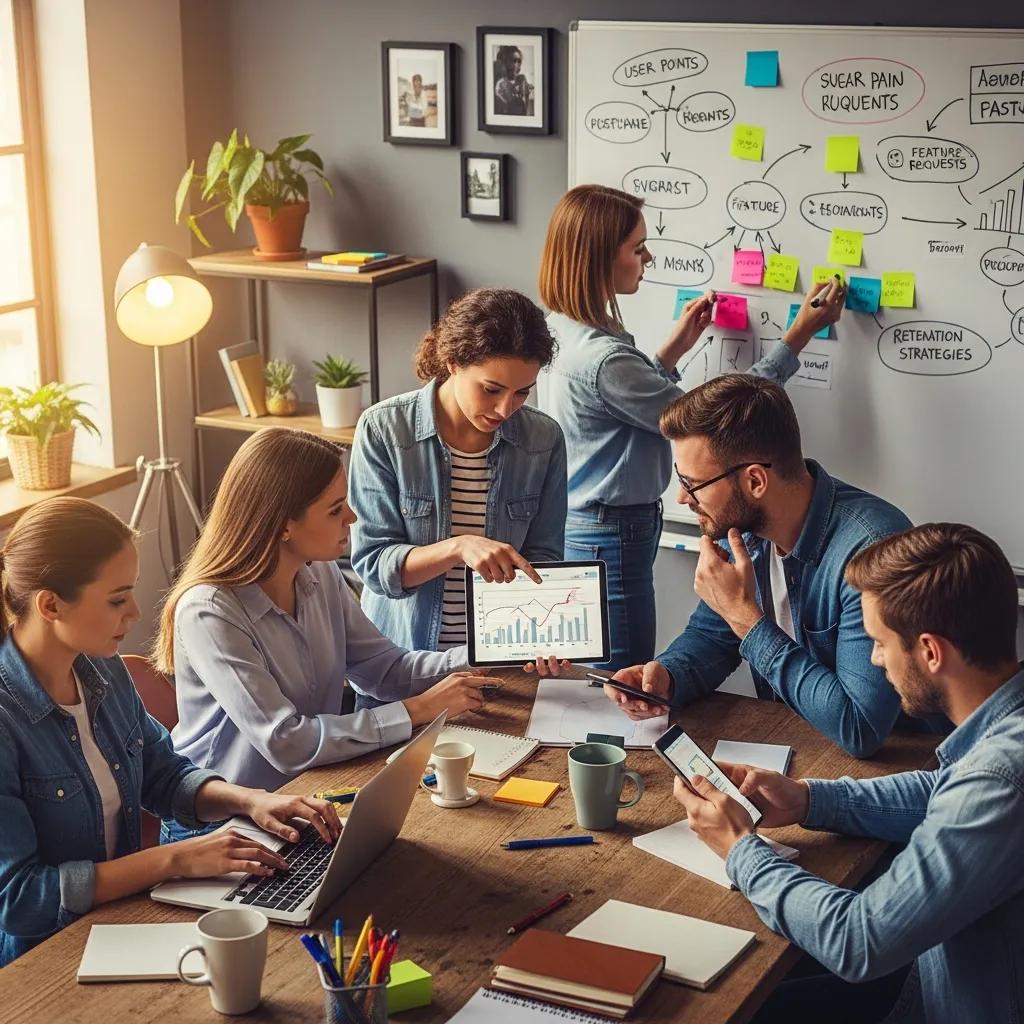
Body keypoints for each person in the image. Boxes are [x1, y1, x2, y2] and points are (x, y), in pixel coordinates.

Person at [672, 523, 1024, 1023]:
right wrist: (808, 800)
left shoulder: (1001, 780)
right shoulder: (1004, 729)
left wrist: (739, 848)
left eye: (880, 642)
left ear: (929, 651)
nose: (875, 658)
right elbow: (946, 791)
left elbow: (858, 940)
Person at [0, 498, 342, 966]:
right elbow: (19, 900)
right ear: (50, 604)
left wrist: (251, 800)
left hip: (117, 926)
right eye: (118, 599)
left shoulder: (103, 671)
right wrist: (175, 858)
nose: (137, 612)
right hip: (42, 961)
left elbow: (162, 775)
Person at [538, 183, 846, 670]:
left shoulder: (561, 330)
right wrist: (798, 334)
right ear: (599, 259)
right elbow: (719, 423)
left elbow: (615, 407)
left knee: (605, 676)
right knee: (620, 680)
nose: (649, 257)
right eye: (637, 248)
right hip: (611, 537)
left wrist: (672, 351)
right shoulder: (607, 359)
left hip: (588, 525)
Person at [155, 428, 490, 839]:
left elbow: (383, 668)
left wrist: (487, 652)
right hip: (223, 825)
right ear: (282, 525)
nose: (352, 517)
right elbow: (287, 742)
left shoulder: (319, 572)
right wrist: (416, 709)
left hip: (304, 798)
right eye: (335, 510)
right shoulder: (210, 611)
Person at [604, 374, 910, 758]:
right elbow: (713, 637)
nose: (682, 497)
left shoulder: (872, 550)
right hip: (796, 747)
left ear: (755, 480)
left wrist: (747, 619)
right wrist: (666, 677)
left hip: (895, 765)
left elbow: (859, 726)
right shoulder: (745, 531)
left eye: (692, 482)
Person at [348, 288, 566, 669]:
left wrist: (543, 636)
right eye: (491, 389)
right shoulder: (385, 429)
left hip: (498, 665)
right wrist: (459, 547)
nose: (505, 408)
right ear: (452, 362)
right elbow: (374, 564)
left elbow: (543, 559)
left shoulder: (543, 439)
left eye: (522, 393)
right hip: (401, 666)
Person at [494, 46, 531, 116]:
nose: (516, 65)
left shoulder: (521, 80)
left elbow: (525, 112)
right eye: (512, 61)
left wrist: (526, 95)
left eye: (519, 61)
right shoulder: (500, 83)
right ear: (502, 63)